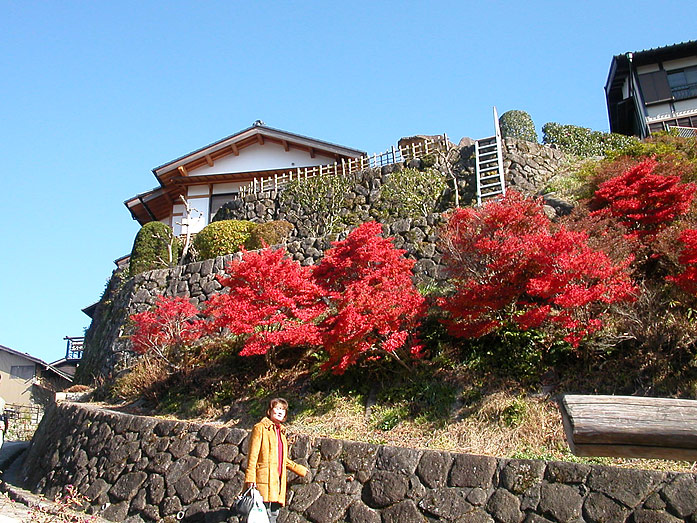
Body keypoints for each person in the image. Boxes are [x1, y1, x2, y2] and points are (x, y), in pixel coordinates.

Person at [244, 398, 308, 523]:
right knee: (262, 516)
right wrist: (250, 478)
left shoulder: (281, 432)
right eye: (277, 408)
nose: (280, 412)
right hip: (263, 480)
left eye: (283, 410)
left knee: (273, 514)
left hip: (277, 481)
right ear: (270, 410)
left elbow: (282, 458)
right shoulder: (260, 428)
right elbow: (252, 456)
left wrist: (298, 469)